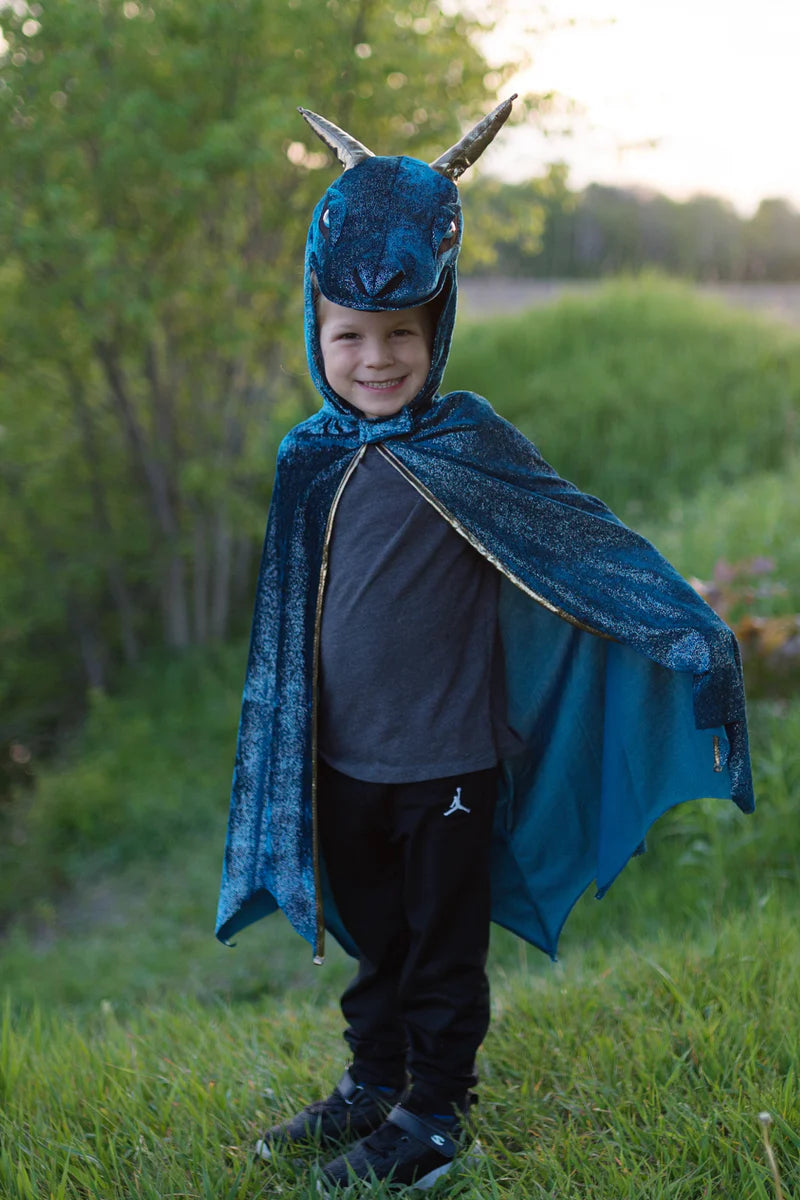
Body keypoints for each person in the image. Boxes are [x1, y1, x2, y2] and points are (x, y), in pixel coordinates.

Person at [216, 98, 753, 1192]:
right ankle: (374, 1082)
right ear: (314, 336)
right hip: (341, 760)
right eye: (349, 336)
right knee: (374, 940)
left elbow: (579, 540)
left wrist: (683, 623)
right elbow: (283, 617)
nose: (375, 359)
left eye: (400, 335)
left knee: (441, 947)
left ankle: (434, 1111)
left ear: (437, 328)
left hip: (451, 760)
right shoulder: (306, 458)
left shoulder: (470, 443)